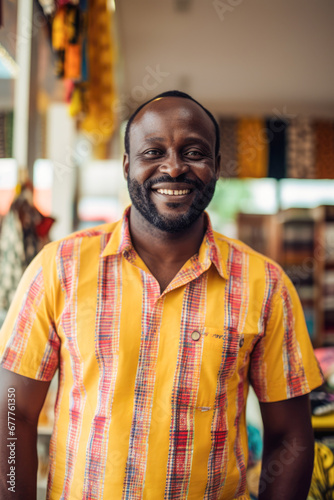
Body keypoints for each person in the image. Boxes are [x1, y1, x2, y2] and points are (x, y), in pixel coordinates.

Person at [0, 90, 323, 500]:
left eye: (194, 152)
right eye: (153, 151)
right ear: (127, 165)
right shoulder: (58, 267)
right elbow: (13, 416)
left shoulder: (267, 284)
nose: (173, 167)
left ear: (217, 167)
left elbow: (290, 434)